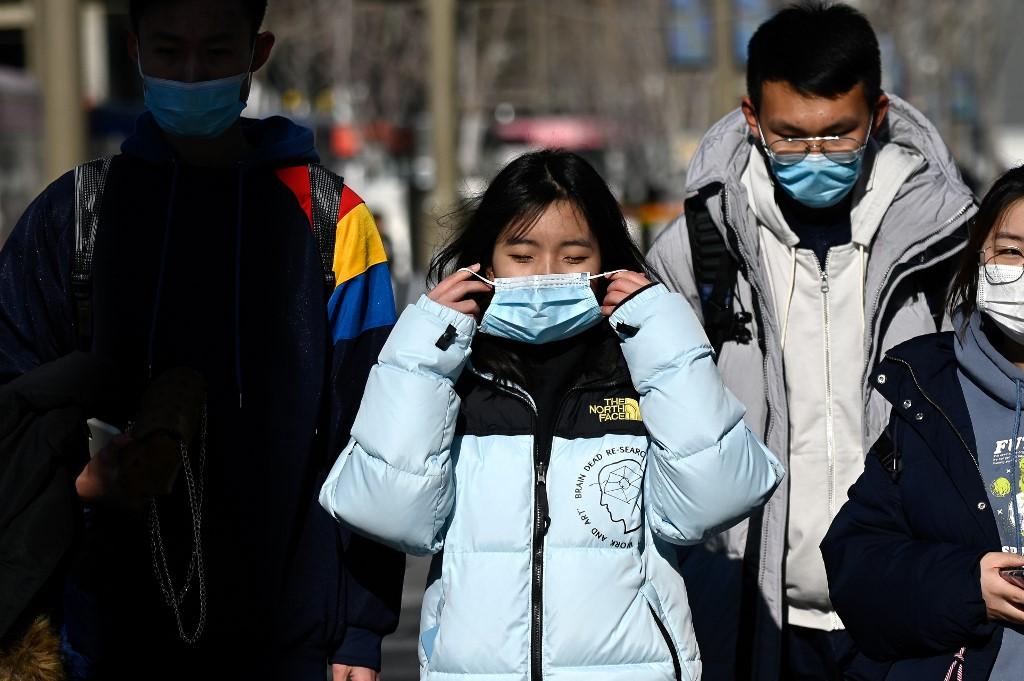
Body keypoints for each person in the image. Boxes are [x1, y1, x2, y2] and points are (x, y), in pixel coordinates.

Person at [0, 0, 403, 679]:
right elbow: (10, 409)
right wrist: (80, 482)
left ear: (259, 52)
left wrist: (359, 631)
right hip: (100, 639)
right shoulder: (72, 218)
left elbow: (374, 442)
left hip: (289, 641)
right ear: (134, 50)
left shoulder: (336, 222)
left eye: (216, 53)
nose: (191, 74)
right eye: (168, 51)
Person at [319, 149, 784, 681]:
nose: (545, 275)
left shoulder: (642, 368)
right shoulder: (453, 376)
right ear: (485, 262)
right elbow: (391, 513)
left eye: (572, 256)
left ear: (607, 259)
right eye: (521, 256)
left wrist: (661, 333)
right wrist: (425, 349)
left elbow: (715, 498)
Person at [645, 3, 976, 679]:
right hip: (751, 615)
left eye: (838, 134)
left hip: (907, 615)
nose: (814, 157)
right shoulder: (696, 253)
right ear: (751, 119)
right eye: (789, 137)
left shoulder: (949, 247)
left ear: (878, 115)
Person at [822, 166, 1024, 680]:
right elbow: (858, 567)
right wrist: (966, 588)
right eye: (1012, 251)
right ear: (979, 255)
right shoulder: (928, 393)